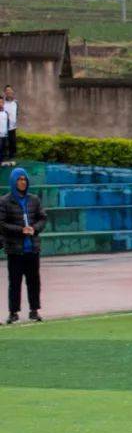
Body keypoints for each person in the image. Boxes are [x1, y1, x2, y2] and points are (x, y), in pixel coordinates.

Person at [1, 167, 46, 323]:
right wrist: (21, 230)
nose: (22, 182)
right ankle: (13, 312)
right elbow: (2, 224)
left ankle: (34, 310)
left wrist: (34, 229)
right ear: (13, 181)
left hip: (32, 249)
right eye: (19, 179)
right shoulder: (5, 201)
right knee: (15, 282)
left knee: (34, 281)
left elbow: (42, 218)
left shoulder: (34, 200)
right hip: (15, 250)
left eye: (24, 179)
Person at [1, 86, 17, 166]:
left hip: (13, 128)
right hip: (4, 128)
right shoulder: (3, 103)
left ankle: (12, 159)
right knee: (3, 145)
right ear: (5, 92)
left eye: (10, 90)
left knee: (13, 144)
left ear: (12, 92)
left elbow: (16, 113)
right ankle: (3, 160)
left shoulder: (16, 103)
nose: (9, 92)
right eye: (7, 90)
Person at [0, 96, 9, 168]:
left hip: (4, 135)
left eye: (2, 102)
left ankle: (2, 164)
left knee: (4, 150)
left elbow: (7, 124)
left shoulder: (6, 113)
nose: (1, 103)